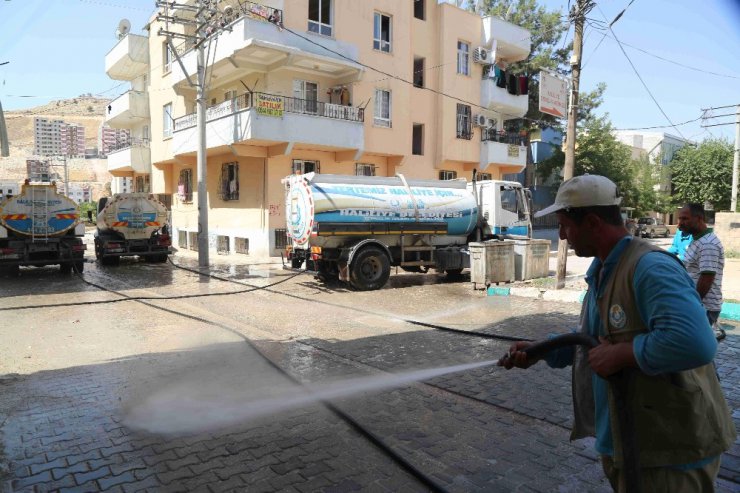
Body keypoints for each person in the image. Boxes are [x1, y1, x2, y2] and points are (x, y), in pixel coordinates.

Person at [499, 175, 735, 492]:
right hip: (631, 443)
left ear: (593, 222)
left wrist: (622, 354)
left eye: (565, 225)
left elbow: (696, 343)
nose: (561, 235)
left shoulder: (649, 267)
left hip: (670, 451)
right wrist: (544, 350)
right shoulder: (606, 269)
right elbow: (592, 339)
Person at [678, 203, 725, 339]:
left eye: (685, 219)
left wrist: (693, 304)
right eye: (680, 219)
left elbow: (706, 278)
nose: (680, 223)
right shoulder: (698, 240)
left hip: (704, 307)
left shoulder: (708, 244)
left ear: (699, 219)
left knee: (693, 350)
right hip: (699, 305)